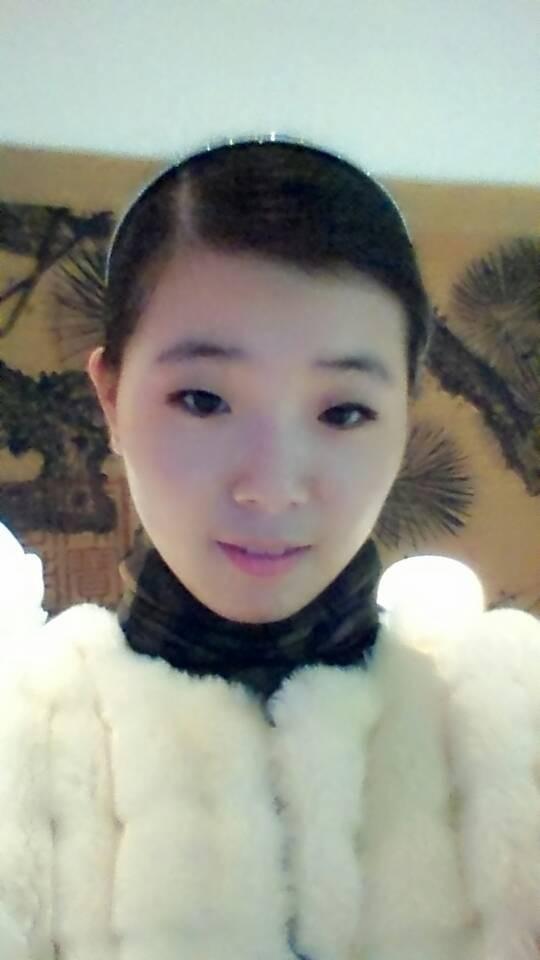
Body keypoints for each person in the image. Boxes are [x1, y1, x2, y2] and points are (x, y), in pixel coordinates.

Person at [1, 136, 539, 960]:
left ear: (404, 411)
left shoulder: (511, 737)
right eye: (202, 399)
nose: (272, 487)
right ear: (110, 398)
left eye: (343, 412)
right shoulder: (22, 747)